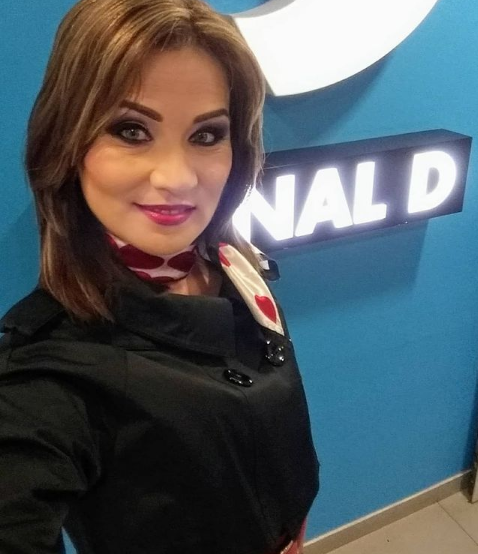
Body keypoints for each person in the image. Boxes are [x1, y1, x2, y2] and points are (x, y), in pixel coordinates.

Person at [0, 0, 319, 553]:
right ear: (68, 144)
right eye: (131, 130)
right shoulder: (47, 375)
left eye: (206, 135)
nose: (176, 179)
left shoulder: (231, 262)